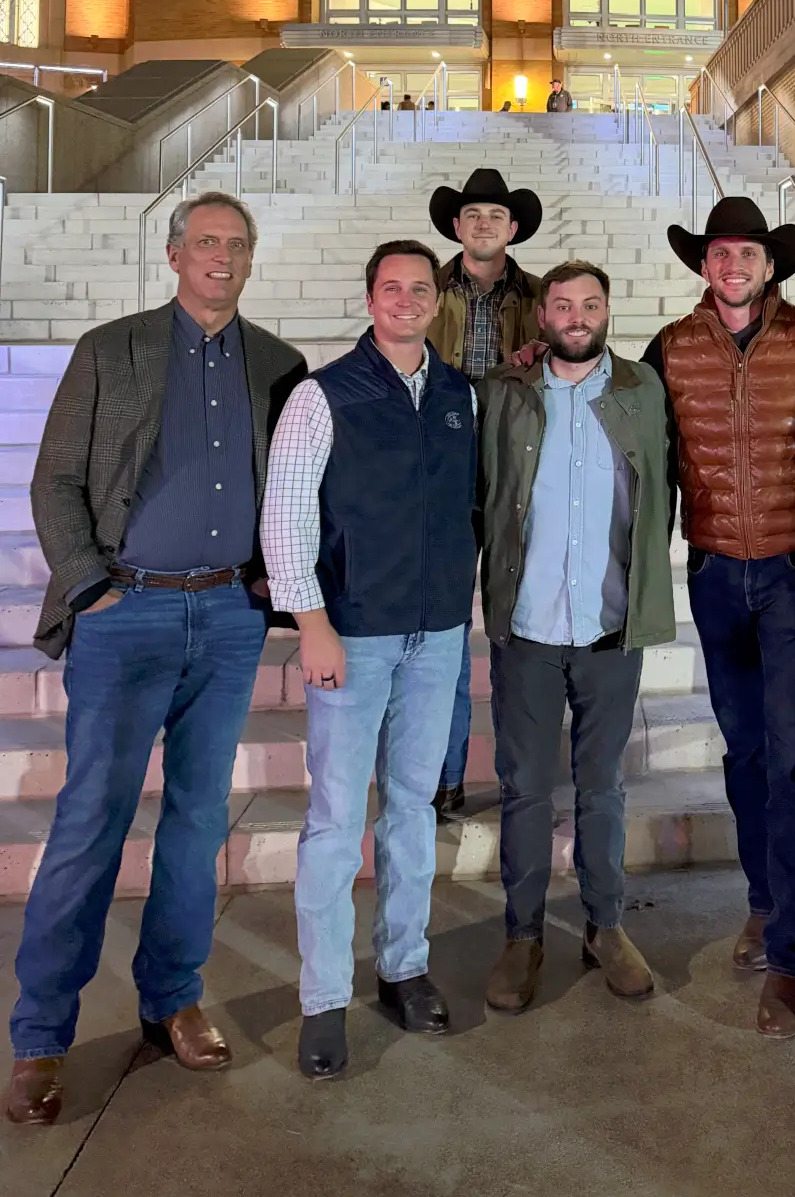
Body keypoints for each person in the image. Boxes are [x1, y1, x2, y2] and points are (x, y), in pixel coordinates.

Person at [7, 193, 305, 1128]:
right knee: (90, 818)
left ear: (251, 260)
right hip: (124, 611)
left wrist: (277, 582)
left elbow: (291, 487)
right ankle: (40, 1035)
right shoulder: (113, 349)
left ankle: (172, 996)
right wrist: (89, 584)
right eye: (206, 241)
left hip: (227, 614)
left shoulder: (278, 363)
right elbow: (55, 477)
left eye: (237, 244)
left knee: (197, 818)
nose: (222, 256)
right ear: (175, 254)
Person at [641, 197, 795, 1040]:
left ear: (771, 266)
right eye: (721, 252)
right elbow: (629, 430)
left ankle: (792, 957)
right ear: (704, 264)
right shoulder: (670, 348)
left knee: (794, 759)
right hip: (714, 573)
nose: (733, 265)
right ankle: (765, 900)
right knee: (744, 752)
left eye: (749, 253)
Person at [260, 240, 478, 1081]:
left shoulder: (459, 394)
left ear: (437, 301)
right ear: (369, 298)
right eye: (392, 287)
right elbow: (286, 515)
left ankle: (403, 967)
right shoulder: (322, 395)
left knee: (413, 810)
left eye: (421, 288)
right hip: (352, 633)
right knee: (334, 820)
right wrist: (311, 622)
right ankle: (322, 1000)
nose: (407, 300)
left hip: (437, 634)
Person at [478, 263, 674, 1015]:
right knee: (526, 788)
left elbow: (665, 487)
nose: (577, 315)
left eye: (591, 303)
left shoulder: (642, 389)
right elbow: (485, 490)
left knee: (603, 787)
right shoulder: (506, 391)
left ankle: (606, 926)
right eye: (563, 304)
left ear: (608, 310)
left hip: (608, 626)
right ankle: (522, 935)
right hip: (527, 626)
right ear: (542, 316)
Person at [426, 168, 542, 818]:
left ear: (513, 228)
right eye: (472, 214)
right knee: (444, 630)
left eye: (496, 215)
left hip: (514, 476)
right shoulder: (426, 289)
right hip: (441, 476)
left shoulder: (544, 298)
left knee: (516, 632)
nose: (483, 224)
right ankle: (445, 775)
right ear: (456, 225)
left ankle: (522, 777)